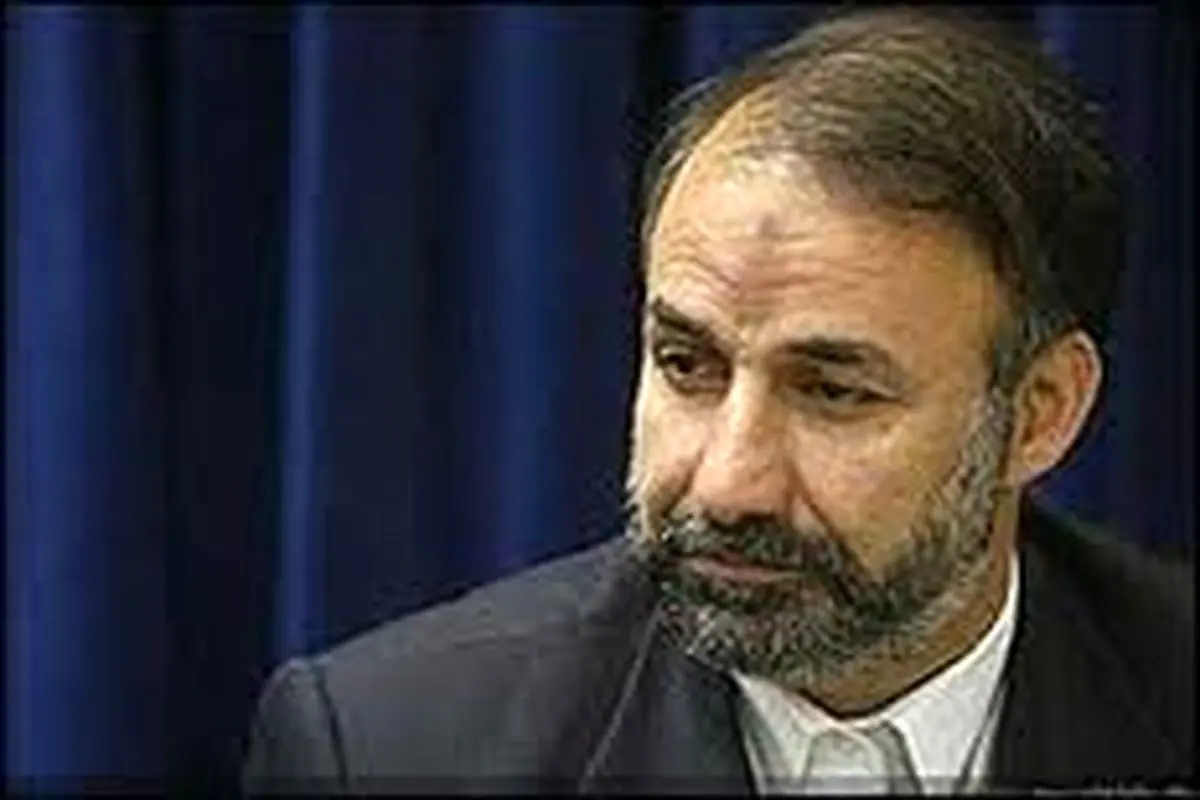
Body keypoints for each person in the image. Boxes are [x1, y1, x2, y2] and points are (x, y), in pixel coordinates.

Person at [242, 6, 1193, 794]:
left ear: (1039, 412)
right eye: (686, 365)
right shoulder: (385, 750)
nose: (729, 485)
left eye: (834, 392)